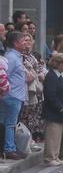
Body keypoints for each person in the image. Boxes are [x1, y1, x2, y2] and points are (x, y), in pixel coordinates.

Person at [2, 31, 28, 159]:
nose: (25, 43)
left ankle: (12, 146)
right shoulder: (11, 57)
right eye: (23, 40)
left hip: (18, 95)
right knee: (10, 123)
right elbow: (4, 75)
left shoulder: (18, 56)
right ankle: (9, 148)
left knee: (13, 122)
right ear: (16, 43)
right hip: (11, 95)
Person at [41, 53, 63, 166]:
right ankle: (50, 157)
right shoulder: (51, 76)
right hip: (53, 111)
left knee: (57, 135)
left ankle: (55, 155)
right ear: (57, 64)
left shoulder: (60, 75)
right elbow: (51, 95)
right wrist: (61, 107)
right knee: (52, 135)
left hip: (60, 111)